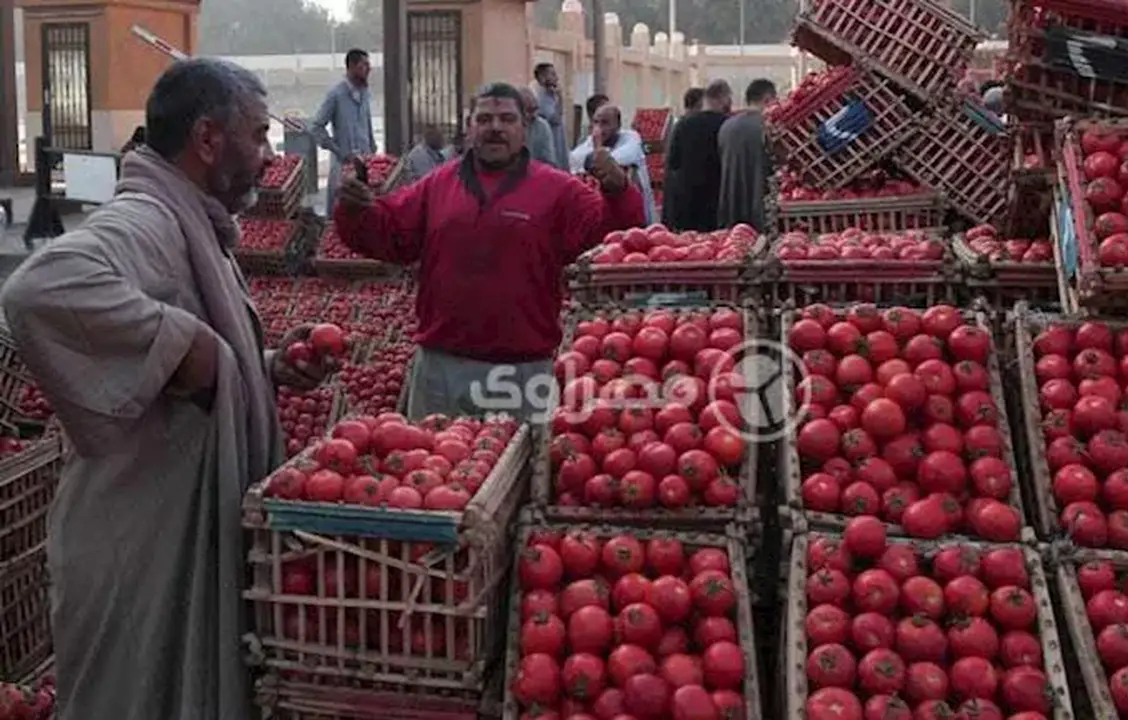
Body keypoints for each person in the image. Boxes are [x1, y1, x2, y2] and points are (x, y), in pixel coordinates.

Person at [0, 58, 332, 720]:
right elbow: (38, 289)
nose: (269, 156)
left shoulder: (193, 224)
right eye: (259, 134)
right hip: (139, 550)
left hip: (164, 533)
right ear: (208, 139)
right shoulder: (148, 219)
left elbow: (190, 353)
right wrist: (189, 348)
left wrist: (258, 365)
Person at [333, 82, 646, 420]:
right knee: (432, 463)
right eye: (484, 119)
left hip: (522, 370)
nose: (495, 128)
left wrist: (618, 191)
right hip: (442, 366)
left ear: (525, 129)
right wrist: (355, 210)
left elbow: (614, 237)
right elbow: (391, 233)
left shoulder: (557, 190)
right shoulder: (438, 185)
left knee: (521, 469)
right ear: (470, 129)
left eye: (506, 119)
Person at [312, 48, 377, 216]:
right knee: (340, 213)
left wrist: (372, 150)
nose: (369, 69)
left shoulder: (365, 93)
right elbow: (317, 127)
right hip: (344, 166)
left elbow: (367, 123)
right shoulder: (336, 95)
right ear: (352, 67)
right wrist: (338, 150)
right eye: (365, 65)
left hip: (365, 164)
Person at [664, 79, 732, 231]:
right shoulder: (727, 125)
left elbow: (673, 163)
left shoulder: (683, 125)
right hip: (716, 201)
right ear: (724, 98)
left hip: (687, 202)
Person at [570, 104, 655, 223]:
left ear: (618, 125)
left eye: (605, 123)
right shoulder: (589, 142)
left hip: (631, 213)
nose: (599, 128)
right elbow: (576, 158)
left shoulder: (631, 139)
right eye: (596, 122)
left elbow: (621, 157)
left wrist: (598, 151)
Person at [718, 78, 777, 231]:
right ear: (768, 99)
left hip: (730, 206)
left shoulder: (726, 126)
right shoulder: (768, 126)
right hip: (760, 208)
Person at [661, 87, 704, 224]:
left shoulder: (679, 124)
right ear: (699, 104)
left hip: (675, 195)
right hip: (683, 197)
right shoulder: (687, 126)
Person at [532, 63, 569, 169]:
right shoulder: (541, 98)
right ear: (542, 77)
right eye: (552, 74)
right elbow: (555, 119)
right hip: (552, 146)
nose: (556, 78)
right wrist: (560, 97)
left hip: (559, 143)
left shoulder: (551, 95)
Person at [518, 86, 558, 165]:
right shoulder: (509, 128)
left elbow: (549, 161)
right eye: (529, 110)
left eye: (535, 109)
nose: (534, 115)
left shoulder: (542, 126)